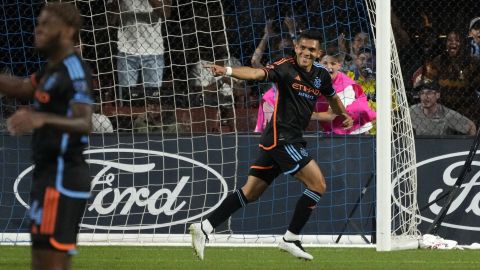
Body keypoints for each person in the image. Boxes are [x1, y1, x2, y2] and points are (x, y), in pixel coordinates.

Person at [189, 30, 353, 261]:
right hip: (282, 138)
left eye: (311, 50)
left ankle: (205, 227)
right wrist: (226, 70)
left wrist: (343, 114)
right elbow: (256, 74)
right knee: (318, 185)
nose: (306, 52)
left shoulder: (321, 76)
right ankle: (291, 238)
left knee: (251, 192)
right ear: (296, 48)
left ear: (319, 53)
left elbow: (333, 97)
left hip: (280, 140)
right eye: (302, 48)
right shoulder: (285, 67)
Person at [0, 3, 93, 269]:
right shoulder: (52, 69)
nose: (37, 29)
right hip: (47, 176)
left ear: (66, 30)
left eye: (45, 23)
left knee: (49, 264)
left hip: (62, 176)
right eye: (38, 23)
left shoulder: (74, 71)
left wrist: (40, 118)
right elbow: (20, 87)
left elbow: (83, 121)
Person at [107, 0, 171, 103]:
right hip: (126, 50)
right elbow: (110, 20)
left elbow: (166, 13)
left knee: (153, 101)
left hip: (154, 51)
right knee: (126, 100)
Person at [316, 54, 376, 134]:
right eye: (325, 63)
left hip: (356, 131)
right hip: (335, 128)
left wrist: (303, 115)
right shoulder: (316, 78)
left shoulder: (345, 86)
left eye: (333, 63)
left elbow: (331, 115)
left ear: (339, 66)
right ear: (319, 63)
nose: (329, 66)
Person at [409, 82, 476, 135]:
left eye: (429, 93)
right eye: (422, 93)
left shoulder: (447, 114)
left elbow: (471, 127)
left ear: (437, 95)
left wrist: (466, 147)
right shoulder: (412, 111)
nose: (425, 97)